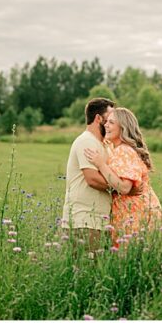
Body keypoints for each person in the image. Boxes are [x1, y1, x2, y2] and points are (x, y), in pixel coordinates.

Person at [83, 106, 162, 243]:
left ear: (123, 127)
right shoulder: (119, 150)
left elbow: (125, 187)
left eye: (111, 122)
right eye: (106, 121)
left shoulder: (124, 151)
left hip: (137, 218)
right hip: (131, 216)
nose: (106, 125)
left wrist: (100, 164)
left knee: (135, 260)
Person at [62, 97, 114, 253]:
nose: (113, 121)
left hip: (98, 221)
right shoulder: (87, 141)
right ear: (98, 118)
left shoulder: (103, 144)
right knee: (85, 272)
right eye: (109, 118)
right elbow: (92, 179)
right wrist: (121, 188)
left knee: (97, 273)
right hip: (84, 222)